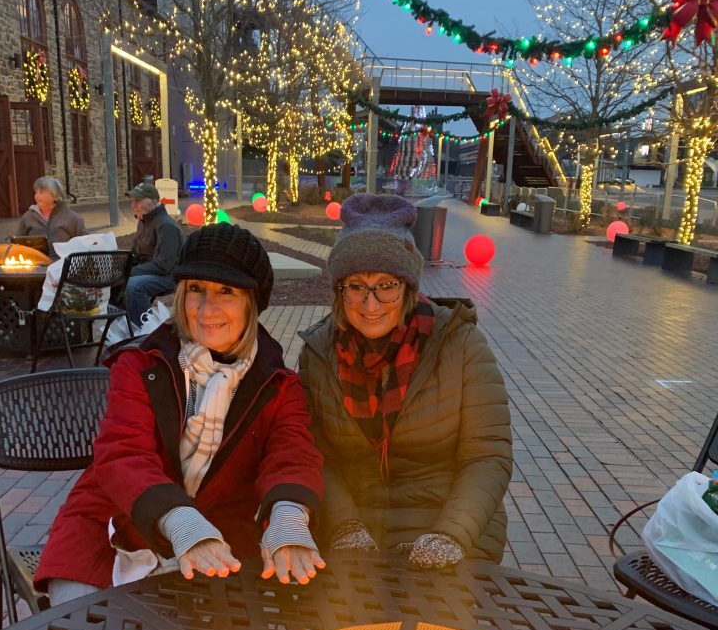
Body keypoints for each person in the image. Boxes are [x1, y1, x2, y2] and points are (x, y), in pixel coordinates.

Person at [34, 222, 325, 605]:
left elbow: (292, 454)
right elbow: (123, 454)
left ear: (253, 302)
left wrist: (287, 515)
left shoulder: (279, 384)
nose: (207, 309)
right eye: (196, 290)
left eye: (227, 291)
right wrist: (179, 520)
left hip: (220, 533)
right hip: (115, 520)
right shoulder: (140, 364)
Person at [298, 193, 512, 569]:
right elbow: (316, 454)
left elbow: (487, 455)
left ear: (409, 288)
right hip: (354, 531)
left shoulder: (459, 343)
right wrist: (343, 524)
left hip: (447, 528)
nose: (371, 304)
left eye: (387, 285)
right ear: (339, 290)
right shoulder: (319, 352)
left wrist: (452, 534)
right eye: (356, 286)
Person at [124, 181, 183, 327]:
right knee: (115, 279)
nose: (133, 205)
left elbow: (164, 265)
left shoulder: (166, 226)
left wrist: (129, 272)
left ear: (154, 202)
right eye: (133, 201)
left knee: (133, 285)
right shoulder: (143, 222)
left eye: (138, 201)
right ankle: (122, 323)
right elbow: (135, 253)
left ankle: (144, 330)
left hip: (169, 276)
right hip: (150, 271)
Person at [15, 176, 85, 256]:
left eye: (41, 192)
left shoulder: (72, 218)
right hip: (36, 263)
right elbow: (18, 242)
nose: (37, 196)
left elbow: (85, 244)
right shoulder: (28, 216)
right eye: (36, 192)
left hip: (62, 264)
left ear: (54, 194)